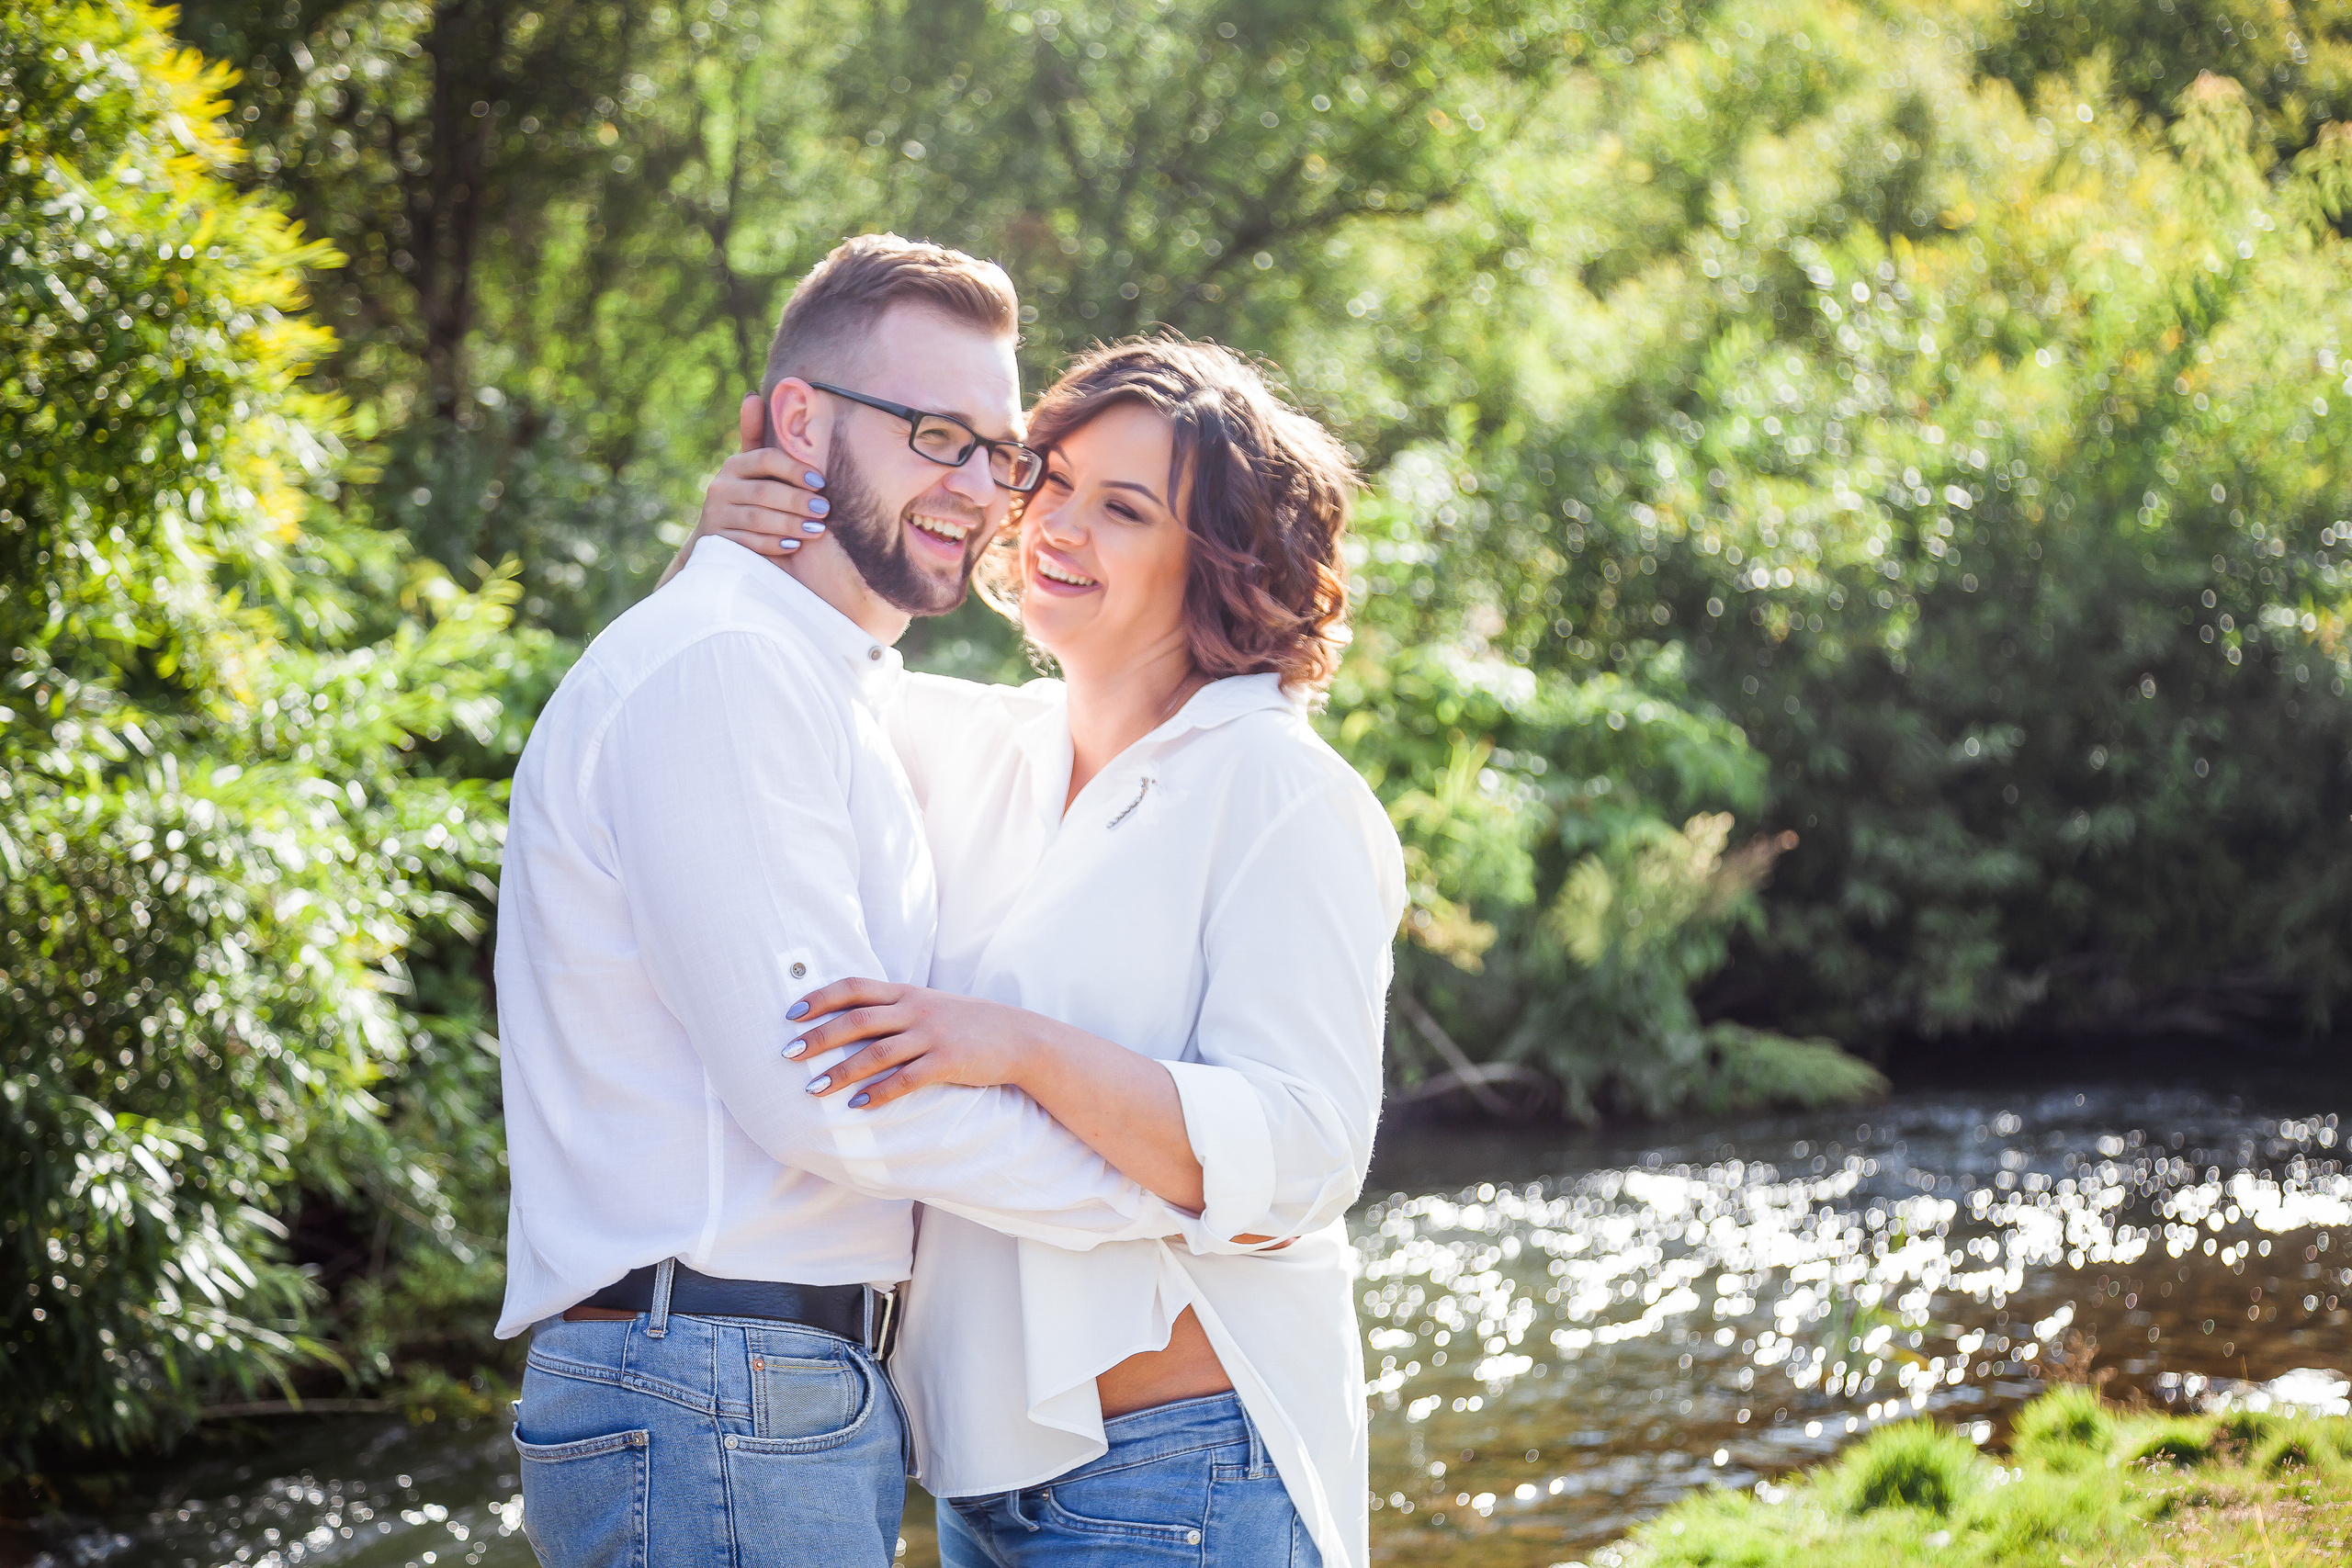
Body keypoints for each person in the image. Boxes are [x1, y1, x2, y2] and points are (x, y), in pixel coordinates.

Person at [494, 235, 1215, 1568]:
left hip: (759, 1387)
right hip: (716, 1380)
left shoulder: (820, 678)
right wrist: (1163, 1191)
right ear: (801, 420)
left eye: (1001, 453)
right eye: (936, 435)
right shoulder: (726, 668)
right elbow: (826, 1089)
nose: (980, 490)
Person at [675, 337, 1405, 1567]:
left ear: (1222, 562)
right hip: (981, 1481)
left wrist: (1015, 1049)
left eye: (1122, 508)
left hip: (1183, 1471)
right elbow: (762, 680)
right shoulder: (978, 745)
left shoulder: (1279, 789)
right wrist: (720, 547)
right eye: (1050, 482)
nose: (1057, 526)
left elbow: (1308, 1153)